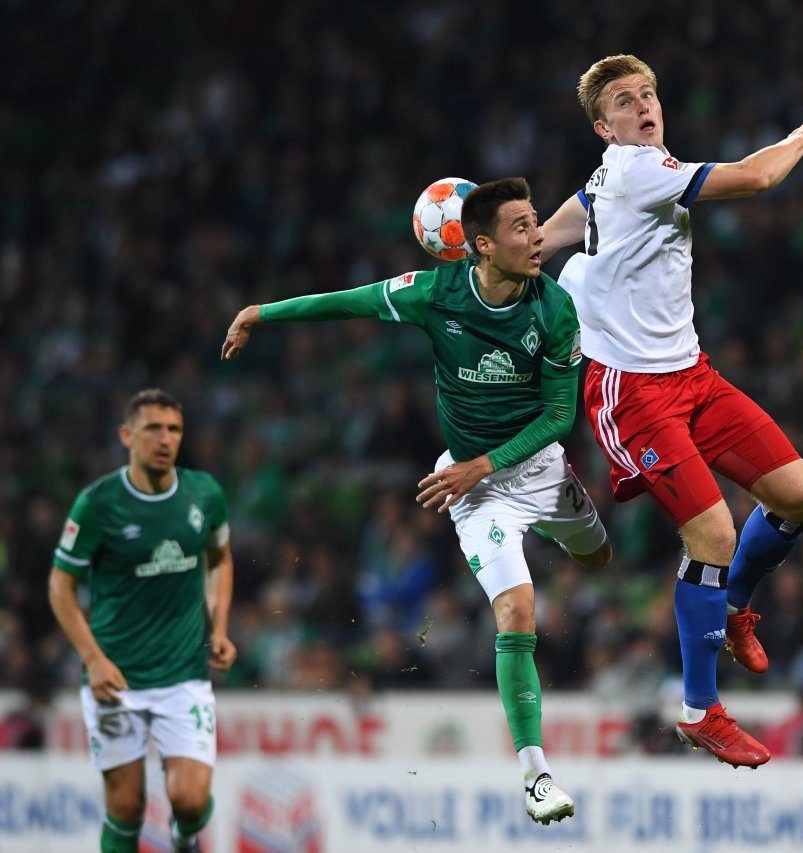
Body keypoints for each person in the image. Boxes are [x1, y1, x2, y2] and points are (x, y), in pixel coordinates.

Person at [222, 176, 612, 825]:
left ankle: (553, 525)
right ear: (479, 244)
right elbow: (349, 301)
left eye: (536, 222)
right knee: (516, 612)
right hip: (475, 489)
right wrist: (261, 312)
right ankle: (537, 774)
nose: (537, 235)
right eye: (521, 227)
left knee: (597, 558)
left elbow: (559, 415)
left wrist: (485, 463)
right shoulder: (437, 293)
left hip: (538, 469)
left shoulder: (555, 308)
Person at [540, 54, 803, 767]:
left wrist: (517, 248)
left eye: (648, 93)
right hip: (631, 391)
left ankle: (732, 605)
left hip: (691, 375)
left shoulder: (614, 175)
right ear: (602, 124)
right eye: (622, 100)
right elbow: (759, 177)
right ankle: (701, 709)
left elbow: (552, 233)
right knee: (712, 532)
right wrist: (800, 137)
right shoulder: (638, 171)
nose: (643, 104)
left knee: (800, 497)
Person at [48, 388, 237, 853]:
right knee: (127, 807)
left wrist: (218, 629)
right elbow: (60, 586)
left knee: (190, 799)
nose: (165, 439)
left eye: (174, 429)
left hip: (184, 673)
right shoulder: (98, 504)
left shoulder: (204, 494)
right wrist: (92, 659)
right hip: (117, 675)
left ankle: (185, 836)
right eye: (153, 428)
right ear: (127, 435)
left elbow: (220, 559)